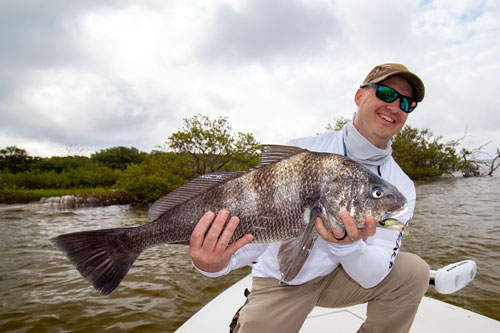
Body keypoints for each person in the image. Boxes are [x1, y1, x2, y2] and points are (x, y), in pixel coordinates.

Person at [189, 63, 430, 332]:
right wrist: (214, 265)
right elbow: (260, 230)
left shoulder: (400, 186)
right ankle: (250, 311)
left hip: (344, 275)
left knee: (414, 272)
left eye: (407, 104)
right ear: (360, 96)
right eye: (386, 94)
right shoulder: (304, 152)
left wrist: (346, 245)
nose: (396, 107)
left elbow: (373, 274)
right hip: (283, 279)